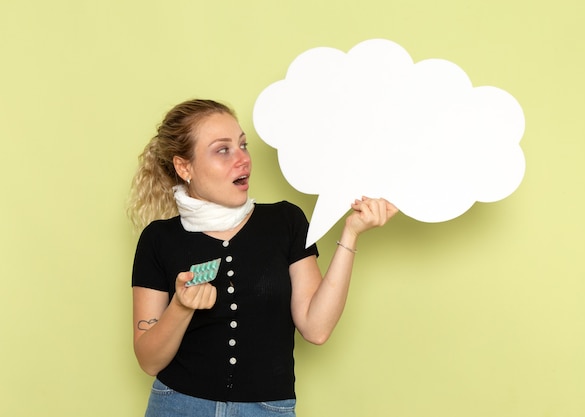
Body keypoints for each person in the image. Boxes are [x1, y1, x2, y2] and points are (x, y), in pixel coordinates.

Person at [128, 99, 397, 417]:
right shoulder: (159, 239)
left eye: (243, 145)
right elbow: (149, 360)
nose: (242, 159)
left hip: (267, 409)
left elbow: (316, 328)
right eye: (222, 150)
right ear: (184, 167)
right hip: (178, 405)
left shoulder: (285, 221)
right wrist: (181, 307)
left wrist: (351, 233)